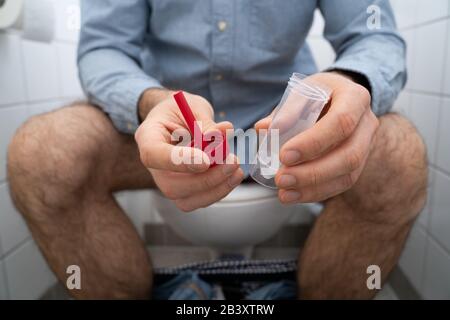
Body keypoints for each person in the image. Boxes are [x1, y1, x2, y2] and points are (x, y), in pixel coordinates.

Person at [7, 0, 427, 299]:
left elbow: (374, 36)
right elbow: (104, 48)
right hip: (173, 125)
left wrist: (350, 81)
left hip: (284, 138)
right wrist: (153, 103)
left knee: (398, 157)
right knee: (42, 156)